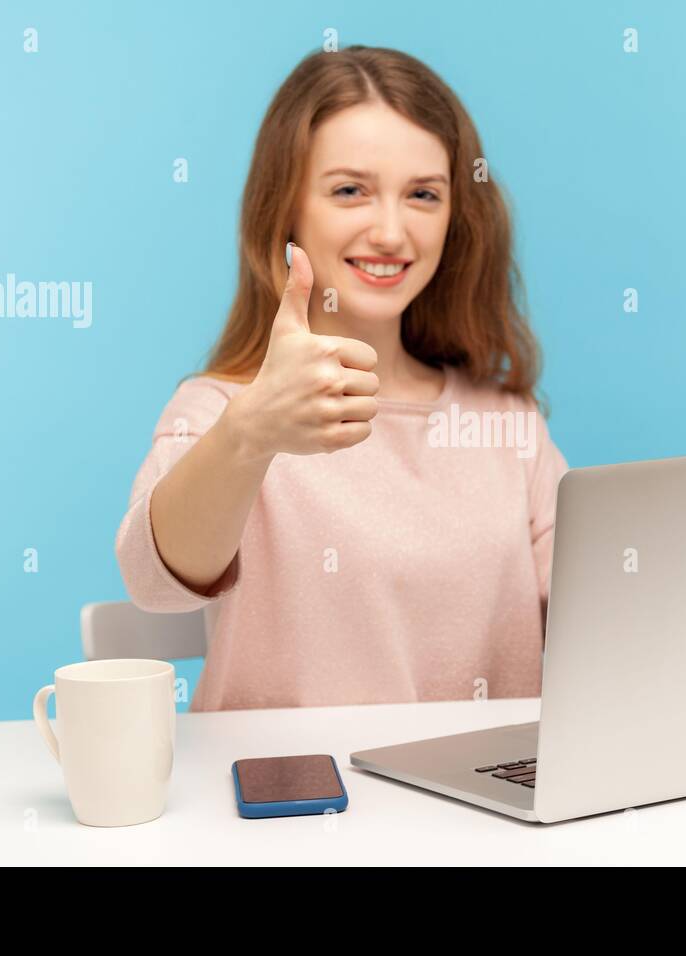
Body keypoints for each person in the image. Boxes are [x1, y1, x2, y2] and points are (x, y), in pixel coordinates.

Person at [114, 46, 568, 710]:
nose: (390, 231)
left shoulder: (506, 420)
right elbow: (154, 585)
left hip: (478, 806)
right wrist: (250, 434)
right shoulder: (221, 410)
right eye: (350, 190)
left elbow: (600, 613)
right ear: (287, 207)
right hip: (296, 805)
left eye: (423, 195)